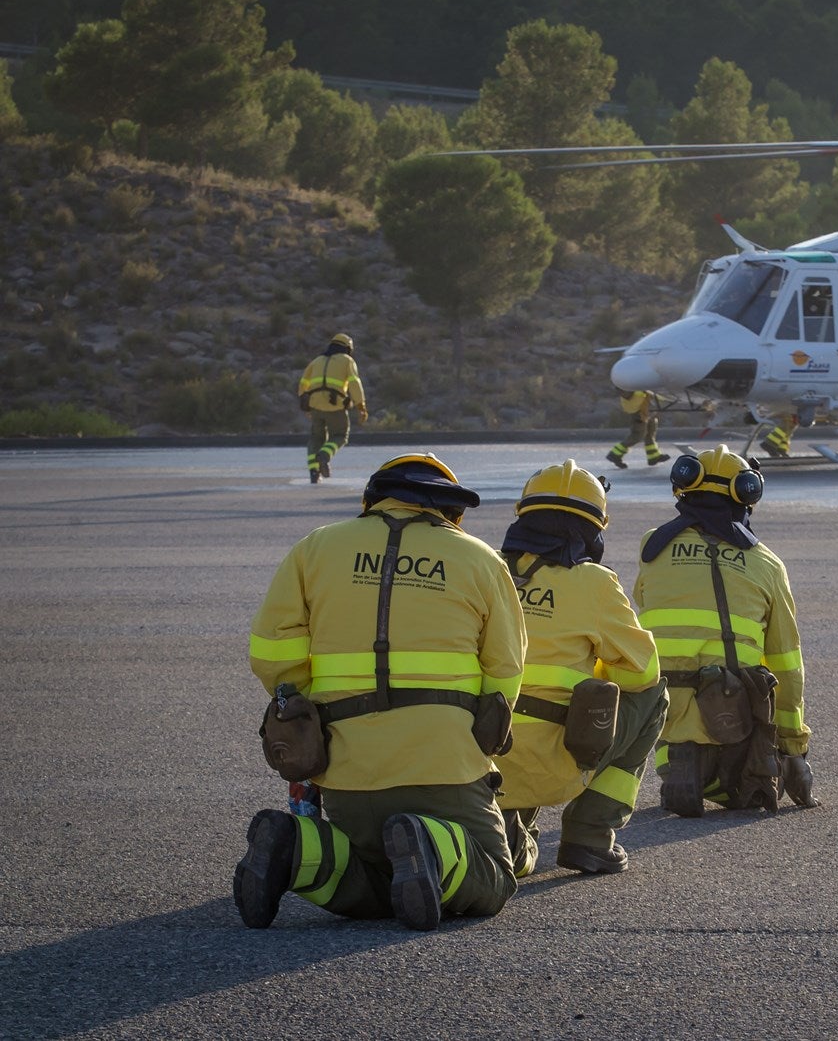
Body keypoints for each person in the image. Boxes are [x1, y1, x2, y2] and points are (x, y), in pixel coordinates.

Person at [236, 453, 526, 931]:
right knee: (494, 876)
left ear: (372, 500)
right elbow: (506, 668)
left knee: (374, 877)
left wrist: (309, 710)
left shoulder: (315, 549)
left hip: (347, 773)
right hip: (444, 767)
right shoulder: (479, 558)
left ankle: (294, 848)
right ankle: (431, 843)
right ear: (447, 511)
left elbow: (271, 651)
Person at [496, 460, 666, 875]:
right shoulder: (593, 582)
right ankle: (590, 835)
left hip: (475, 757)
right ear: (594, 527)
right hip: (554, 760)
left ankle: (512, 828)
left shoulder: (483, 568)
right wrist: (595, 677)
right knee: (651, 697)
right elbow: (642, 672)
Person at [633, 445, 819, 816]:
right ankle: (721, 777)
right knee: (755, 792)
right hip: (734, 709)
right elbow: (787, 665)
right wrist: (793, 749)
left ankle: (677, 759)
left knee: (668, 682)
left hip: (662, 706)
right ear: (747, 497)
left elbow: (642, 602)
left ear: (682, 490)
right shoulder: (766, 563)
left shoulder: (652, 546)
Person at [298, 332, 367, 484]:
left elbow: (303, 383)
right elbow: (354, 384)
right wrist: (361, 406)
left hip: (315, 405)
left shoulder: (316, 361)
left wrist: (306, 408)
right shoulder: (347, 361)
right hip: (335, 406)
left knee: (316, 438)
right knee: (341, 435)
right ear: (347, 348)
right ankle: (324, 455)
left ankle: (314, 472)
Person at [606, 390, 669, 469]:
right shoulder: (631, 386)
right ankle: (615, 454)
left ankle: (653, 456)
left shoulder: (640, 386)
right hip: (638, 411)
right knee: (638, 435)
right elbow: (636, 393)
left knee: (650, 431)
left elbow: (650, 393)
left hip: (645, 409)